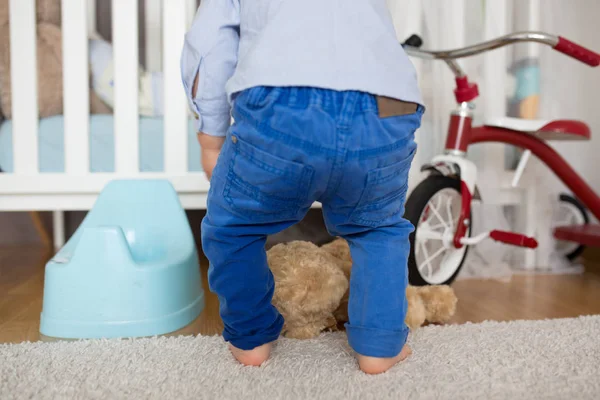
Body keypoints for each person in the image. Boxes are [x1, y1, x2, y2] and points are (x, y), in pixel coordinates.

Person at [180, 0, 424, 375]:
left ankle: (251, 338)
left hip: (283, 100)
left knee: (233, 225)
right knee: (379, 228)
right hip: (389, 105)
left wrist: (210, 137)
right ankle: (379, 345)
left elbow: (210, 46)